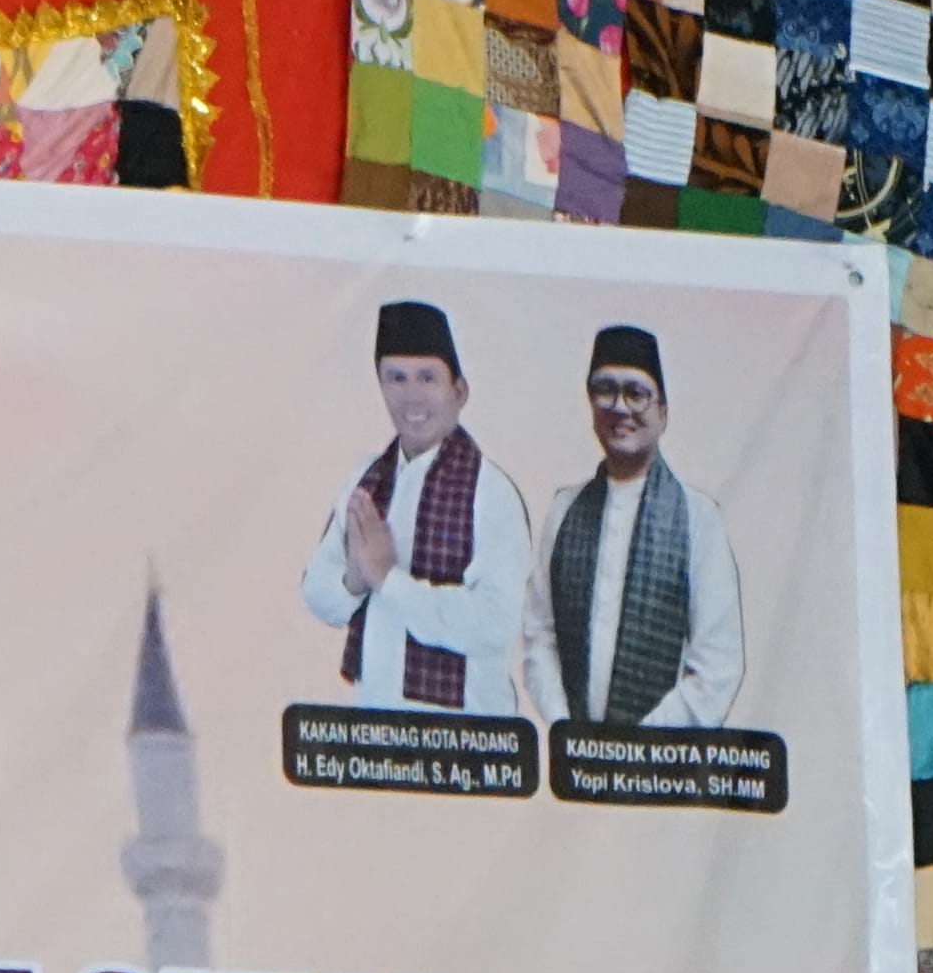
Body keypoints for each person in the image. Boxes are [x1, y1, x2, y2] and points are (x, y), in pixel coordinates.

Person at [298, 301, 530, 717]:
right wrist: (355, 576)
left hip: (467, 731)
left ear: (458, 391)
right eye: (396, 378)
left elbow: (494, 626)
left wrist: (388, 579)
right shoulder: (365, 479)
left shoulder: (492, 493)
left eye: (427, 377)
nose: (412, 396)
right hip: (376, 721)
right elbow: (319, 593)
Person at [520, 322, 745, 728]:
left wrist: (636, 751)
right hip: (573, 759)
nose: (619, 407)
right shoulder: (565, 508)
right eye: (605, 389)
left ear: (662, 411)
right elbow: (541, 637)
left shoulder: (697, 517)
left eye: (636, 392)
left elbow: (718, 666)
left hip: (659, 767)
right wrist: (563, 728)